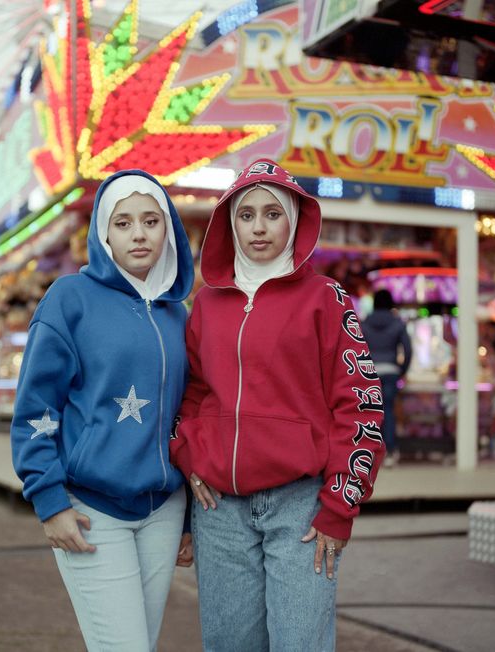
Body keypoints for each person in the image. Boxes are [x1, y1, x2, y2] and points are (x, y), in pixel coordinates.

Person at [169, 159, 385, 651]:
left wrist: (339, 507)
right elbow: (193, 394)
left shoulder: (326, 299)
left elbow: (360, 406)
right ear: (229, 224)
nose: (259, 226)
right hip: (219, 511)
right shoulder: (207, 304)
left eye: (272, 213)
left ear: (294, 221)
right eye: (246, 215)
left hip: (302, 508)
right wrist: (190, 452)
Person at [10, 170, 195, 652]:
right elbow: (36, 409)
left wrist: (190, 517)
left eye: (152, 221)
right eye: (124, 222)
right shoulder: (70, 299)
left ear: (169, 229)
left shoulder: (179, 314)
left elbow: (188, 416)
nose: (139, 233)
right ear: (103, 233)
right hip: (91, 510)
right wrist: (49, 500)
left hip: (163, 511)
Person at [361, 289, 412, 467]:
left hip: (369, 373)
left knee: (370, 414)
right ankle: (390, 451)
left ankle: (371, 454)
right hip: (390, 371)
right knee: (388, 411)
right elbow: (408, 349)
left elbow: (357, 348)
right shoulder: (398, 324)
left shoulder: (364, 323)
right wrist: (401, 370)